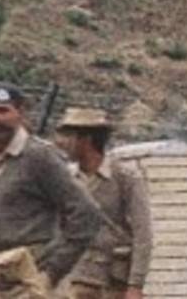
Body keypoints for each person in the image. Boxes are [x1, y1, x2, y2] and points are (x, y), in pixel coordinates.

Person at [0, 83, 101, 297]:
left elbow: (86, 213)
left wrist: (52, 271)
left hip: (33, 274)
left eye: (3, 110)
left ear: (20, 113)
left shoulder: (39, 157)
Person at [54, 108, 152, 299]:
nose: (64, 143)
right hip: (74, 278)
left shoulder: (124, 178)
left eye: (70, 136)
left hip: (112, 282)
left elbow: (143, 234)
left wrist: (135, 285)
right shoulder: (66, 178)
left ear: (86, 139)